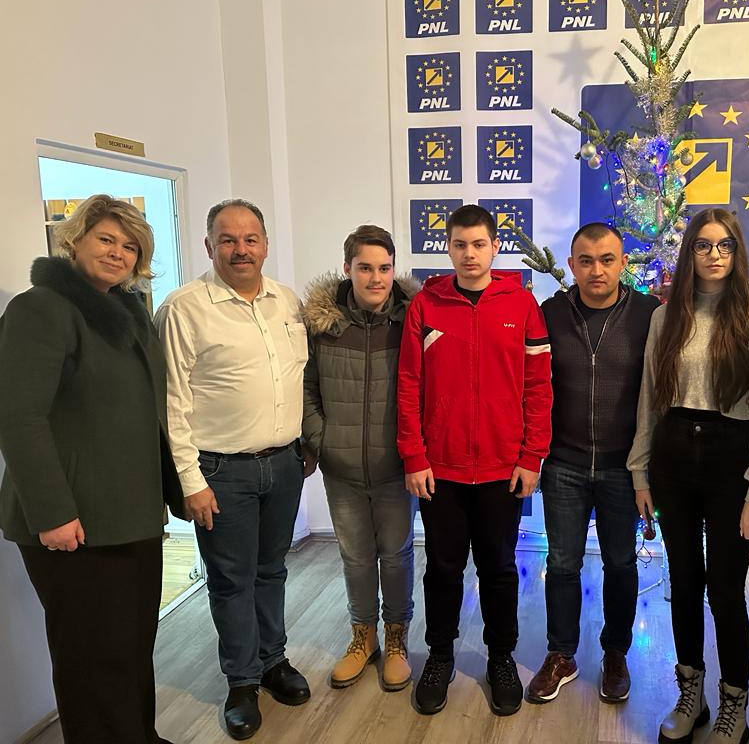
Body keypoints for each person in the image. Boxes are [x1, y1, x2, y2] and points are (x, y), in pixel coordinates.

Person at [0, 195, 183, 744]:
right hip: (74, 524)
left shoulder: (128, 313)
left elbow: (151, 412)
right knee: (89, 656)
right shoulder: (41, 309)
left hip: (133, 516)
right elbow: (18, 417)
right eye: (106, 239)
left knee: (130, 647)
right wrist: (52, 514)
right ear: (74, 239)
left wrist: (173, 490)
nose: (117, 253)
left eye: (130, 247)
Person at [629, 208, 749, 744]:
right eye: (703, 245)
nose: (714, 255)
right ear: (689, 253)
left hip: (731, 459)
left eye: (725, 245)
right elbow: (650, 399)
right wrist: (640, 473)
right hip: (673, 456)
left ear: (737, 252)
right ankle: (690, 692)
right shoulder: (665, 318)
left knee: (724, 589)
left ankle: (733, 702)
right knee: (682, 580)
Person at [155, 199, 312, 741]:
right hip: (221, 471)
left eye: (250, 239)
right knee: (230, 580)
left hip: (284, 464)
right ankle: (242, 682)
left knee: (272, 570)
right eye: (228, 239)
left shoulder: (286, 301)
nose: (240, 249)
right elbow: (172, 404)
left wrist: (305, 446)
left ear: (265, 244)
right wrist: (190, 481)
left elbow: (299, 378)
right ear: (209, 246)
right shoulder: (184, 308)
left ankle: (273, 662)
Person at [397, 203, 553, 717]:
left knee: (499, 568)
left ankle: (500, 657)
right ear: (448, 248)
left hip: (502, 469)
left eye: (479, 244)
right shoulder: (426, 305)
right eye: (460, 245)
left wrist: (531, 456)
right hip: (439, 469)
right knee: (442, 568)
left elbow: (539, 387)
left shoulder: (522, 304)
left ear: (494, 247)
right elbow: (409, 385)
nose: (470, 254)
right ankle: (440, 656)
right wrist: (414, 455)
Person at [526, 222, 659, 705]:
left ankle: (616, 653)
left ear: (623, 263)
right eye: (586, 261)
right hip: (564, 463)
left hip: (625, 469)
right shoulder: (551, 314)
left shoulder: (649, 314)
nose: (596, 270)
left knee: (620, 563)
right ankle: (561, 654)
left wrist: (648, 469)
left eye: (607, 259)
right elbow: (531, 385)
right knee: (562, 563)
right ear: (571, 265)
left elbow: (660, 393)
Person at [301, 225, 419, 692]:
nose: (376, 278)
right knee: (355, 557)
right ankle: (362, 637)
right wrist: (322, 441)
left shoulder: (411, 322)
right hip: (342, 468)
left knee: (397, 556)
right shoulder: (323, 326)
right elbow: (306, 387)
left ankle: (397, 639)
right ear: (347, 268)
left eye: (384, 268)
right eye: (365, 268)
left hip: (396, 468)